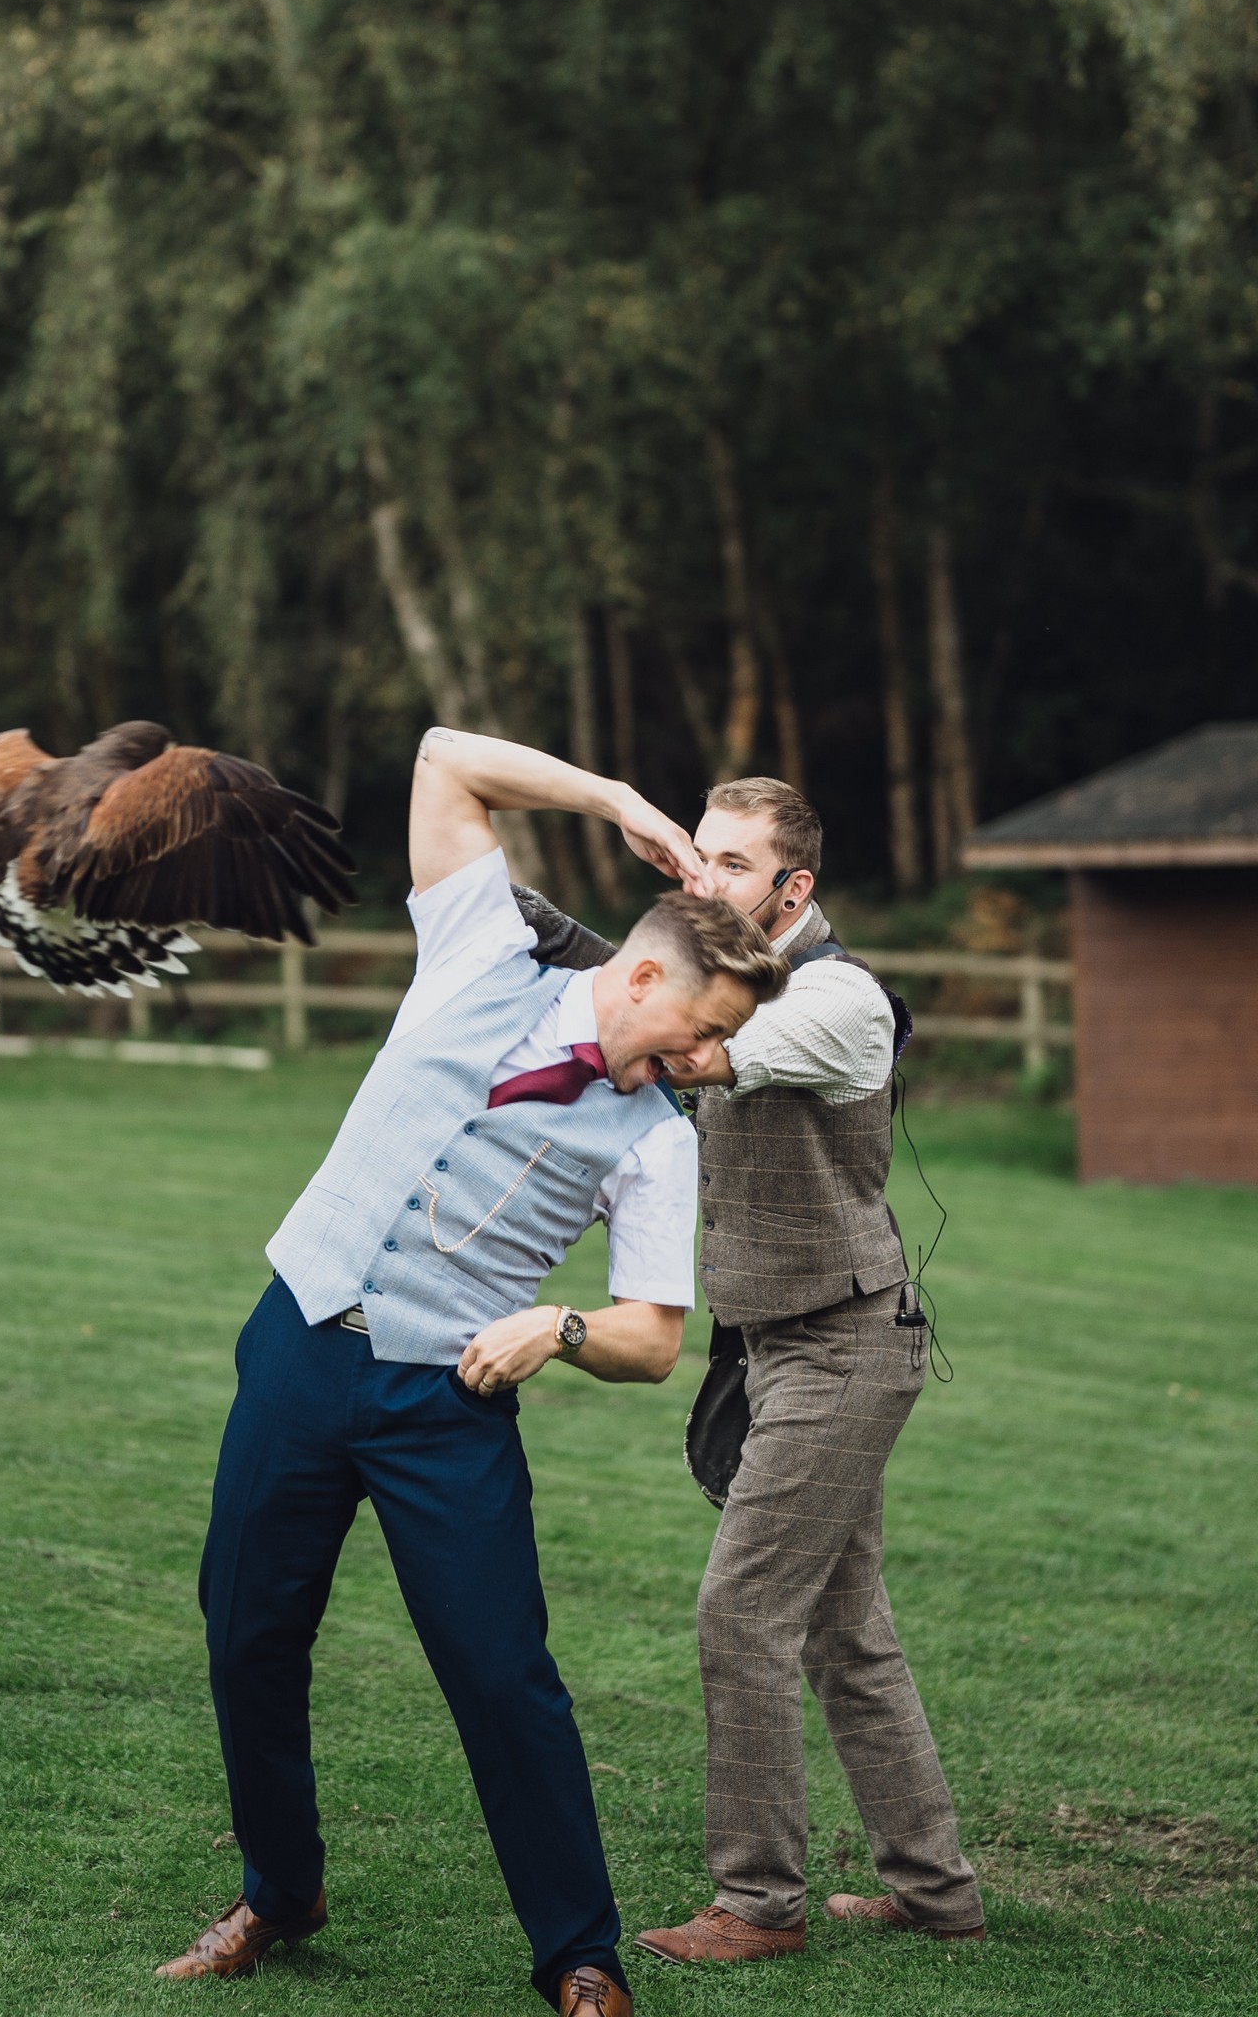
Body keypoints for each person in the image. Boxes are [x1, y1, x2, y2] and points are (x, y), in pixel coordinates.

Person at [154, 731, 787, 2016]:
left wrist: (554, 1329)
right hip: (297, 1342)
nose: (699, 1062)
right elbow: (445, 759)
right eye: (696, 1031)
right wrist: (614, 796)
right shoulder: (481, 951)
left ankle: (579, 1954)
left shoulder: (658, 1143)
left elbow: (652, 1340)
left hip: (446, 1404)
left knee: (504, 1675)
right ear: (642, 971)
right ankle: (279, 1891)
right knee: (246, 1636)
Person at [517, 773, 986, 1966]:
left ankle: (759, 1904)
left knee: (742, 1611)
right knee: (847, 1630)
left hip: (845, 1342)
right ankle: (936, 1892)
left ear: (795, 887)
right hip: (778, 1343)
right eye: (698, 858)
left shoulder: (835, 1001)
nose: (704, 880)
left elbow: (692, 1050)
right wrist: (511, 908)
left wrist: (591, 959)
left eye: (733, 866)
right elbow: (666, 994)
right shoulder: (740, 969)